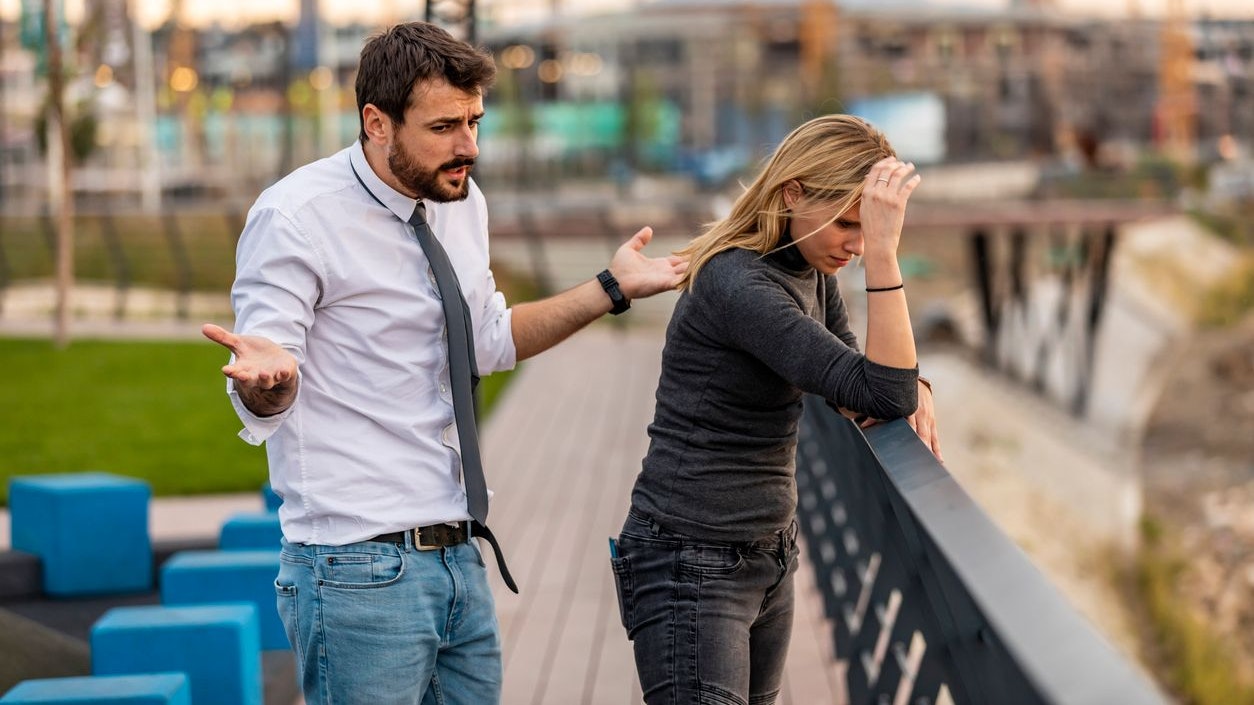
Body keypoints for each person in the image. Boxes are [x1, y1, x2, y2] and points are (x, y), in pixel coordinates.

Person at [201, 21, 685, 705]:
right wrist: (270, 385)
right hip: (354, 569)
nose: (470, 147)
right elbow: (264, 374)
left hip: (458, 555)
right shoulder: (295, 218)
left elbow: (487, 339)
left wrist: (609, 288)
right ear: (376, 122)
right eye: (445, 126)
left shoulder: (460, 202)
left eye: (475, 121)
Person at [610, 114, 942, 705]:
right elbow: (883, 392)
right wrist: (887, 258)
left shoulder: (811, 270)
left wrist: (920, 386)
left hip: (768, 553)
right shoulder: (739, 284)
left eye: (868, 230)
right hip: (693, 561)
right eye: (847, 223)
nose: (857, 245)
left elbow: (861, 389)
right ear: (792, 193)